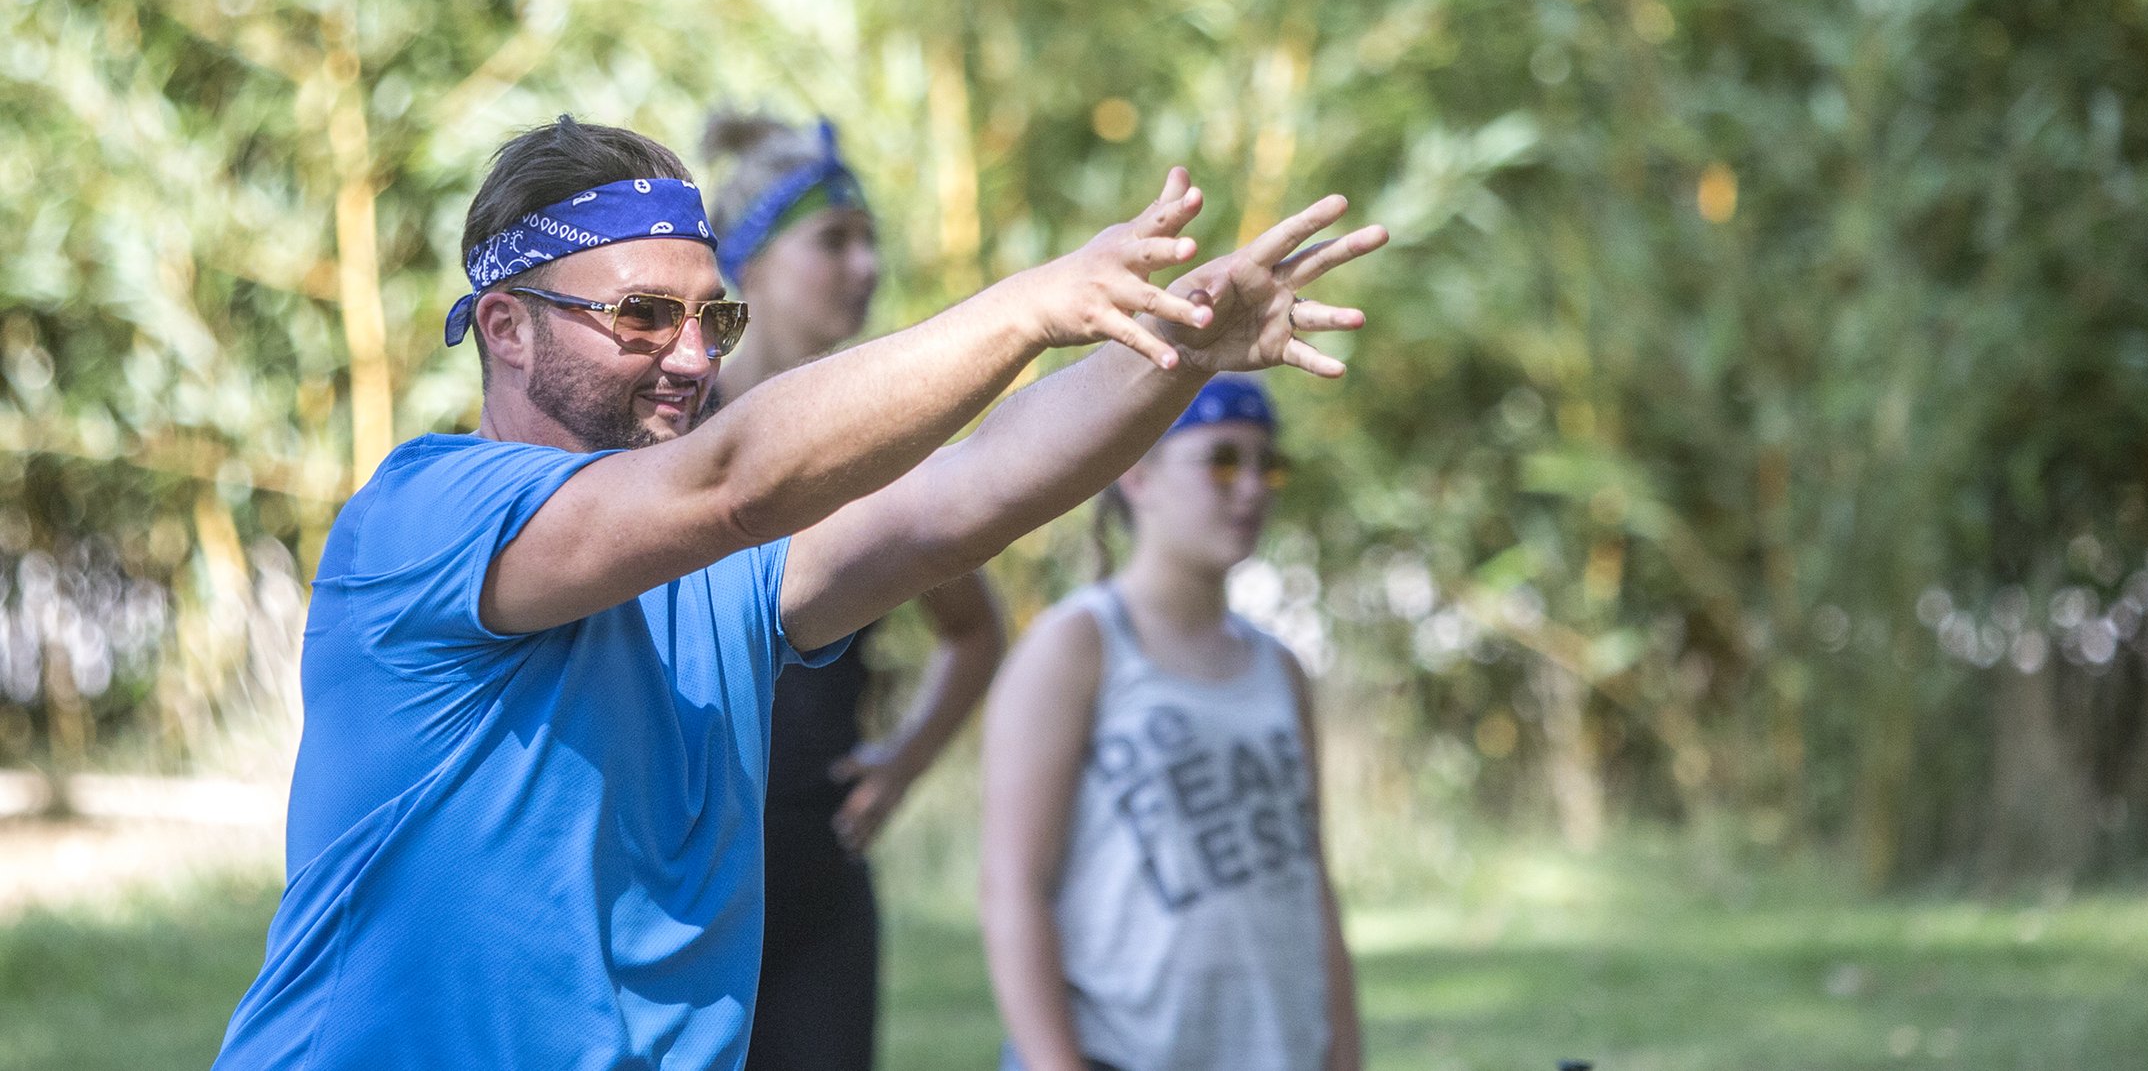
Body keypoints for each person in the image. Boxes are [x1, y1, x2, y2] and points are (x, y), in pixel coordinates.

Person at [214, 115, 1383, 1071]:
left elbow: (963, 494)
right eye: (641, 314)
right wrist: (1030, 304)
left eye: (709, 315)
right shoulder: (428, 513)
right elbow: (734, 480)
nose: (690, 354)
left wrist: (1170, 348)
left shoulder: (723, 576)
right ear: (507, 328)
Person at [704, 114, 1006, 1071]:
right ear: (746, 259)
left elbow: (975, 631)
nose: (865, 265)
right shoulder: (666, 433)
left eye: (870, 240)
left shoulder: (874, 450)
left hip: (818, 872)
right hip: (679, 863)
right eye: (834, 240)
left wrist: (904, 759)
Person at [980, 374, 1363, 1071]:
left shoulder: (1281, 669)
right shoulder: (1078, 645)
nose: (1251, 487)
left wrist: (1343, 1052)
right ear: (1138, 472)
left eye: (1266, 462)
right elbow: (1013, 886)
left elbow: (1312, 879)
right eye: (1221, 459)